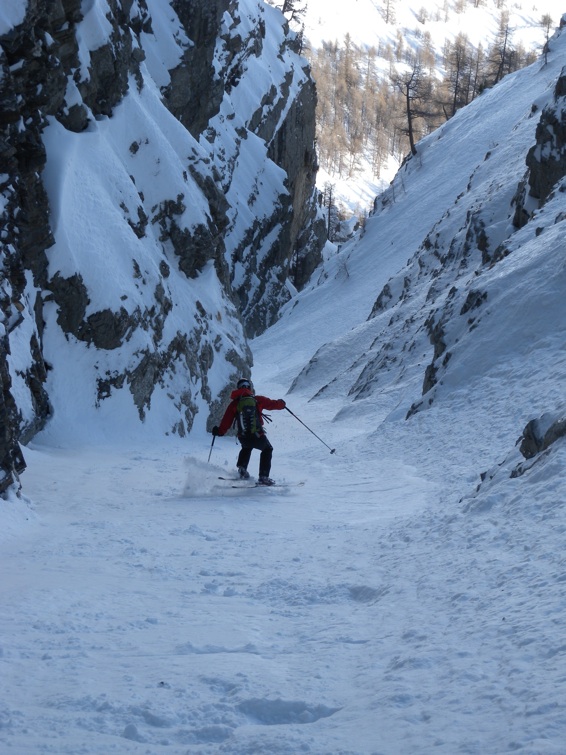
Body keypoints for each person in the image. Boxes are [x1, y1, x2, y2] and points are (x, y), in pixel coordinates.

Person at [212, 378, 286, 485]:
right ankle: (263, 477)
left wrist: (219, 431)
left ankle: (242, 470)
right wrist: (282, 404)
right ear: (249, 388)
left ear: (238, 388)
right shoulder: (257, 400)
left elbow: (226, 421)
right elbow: (272, 404)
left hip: (243, 436)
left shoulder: (234, 404)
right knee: (267, 449)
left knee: (246, 447)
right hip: (257, 435)